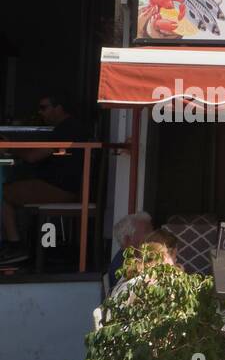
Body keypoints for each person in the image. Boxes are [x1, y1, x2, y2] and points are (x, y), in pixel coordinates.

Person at [1, 96, 90, 265]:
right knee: (12, 188)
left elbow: (33, 157)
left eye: (44, 107)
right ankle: (18, 244)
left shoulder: (67, 129)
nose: (40, 112)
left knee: (4, 193)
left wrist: (10, 147)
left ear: (59, 108)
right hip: (61, 186)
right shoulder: (69, 128)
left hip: (62, 189)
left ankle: (15, 246)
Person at [108, 212, 154, 286]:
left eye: (152, 230)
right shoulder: (122, 266)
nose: (152, 234)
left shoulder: (140, 259)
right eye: (147, 231)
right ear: (128, 240)